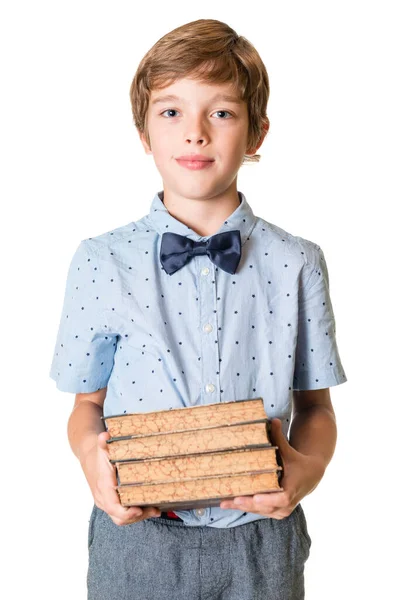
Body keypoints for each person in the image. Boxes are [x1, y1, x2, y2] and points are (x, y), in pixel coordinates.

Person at [49, 18, 347, 600]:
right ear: (143, 132)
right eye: (171, 112)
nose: (195, 134)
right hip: (138, 538)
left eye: (221, 112)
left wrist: (306, 472)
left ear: (256, 133)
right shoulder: (99, 261)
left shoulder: (298, 263)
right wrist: (91, 456)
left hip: (261, 538)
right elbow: (88, 405)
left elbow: (316, 408)